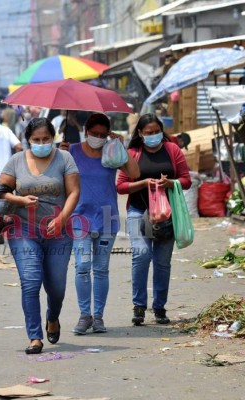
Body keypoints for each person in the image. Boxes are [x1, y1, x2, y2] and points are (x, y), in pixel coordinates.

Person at [0, 117, 80, 354]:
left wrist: (61, 218)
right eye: (36, 139)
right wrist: (19, 199)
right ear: (28, 140)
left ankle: (52, 317)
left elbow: (74, 191)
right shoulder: (16, 161)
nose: (41, 143)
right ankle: (35, 336)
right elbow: (0, 191)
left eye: (46, 139)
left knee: (56, 287)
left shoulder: (64, 158)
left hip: (59, 232)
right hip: (23, 229)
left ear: (53, 138)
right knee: (31, 282)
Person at [65, 113, 140, 334]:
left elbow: (134, 173)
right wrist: (58, 154)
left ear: (108, 134)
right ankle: (84, 315)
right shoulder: (72, 151)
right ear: (86, 131)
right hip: (79, 218)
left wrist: (121, 147)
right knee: (81, 267)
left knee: (101, 269)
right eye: (94, 134)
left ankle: (98, 317)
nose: (97, 138)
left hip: (107, 218)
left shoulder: (112, 152)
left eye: (102, 134)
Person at [117, 113, 191, 325]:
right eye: (148, 133)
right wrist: (143, 183)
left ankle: (159, 308)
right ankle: (139, 306)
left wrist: (172, 183)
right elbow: (121, 186)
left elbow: (186, 180)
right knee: (141, 255)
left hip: (167, 214)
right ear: (140, 134)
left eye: (156, 132)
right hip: (138, 212)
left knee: (162, 263)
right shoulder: (133, 154)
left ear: (162, 131)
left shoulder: (172, 150)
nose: (153, 136)